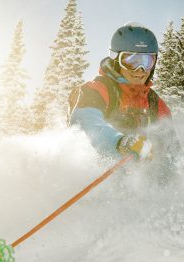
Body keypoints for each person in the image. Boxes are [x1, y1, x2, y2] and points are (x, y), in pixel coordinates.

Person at [68, 22, 175, 163]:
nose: (140, 70)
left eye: (147, 61)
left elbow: (172, 149)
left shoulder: (155, 103)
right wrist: (119, 142)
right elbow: (86, 122)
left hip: (141, 174)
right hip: (95, 167)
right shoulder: (96, 90)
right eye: (131, 61)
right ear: (116, 61)